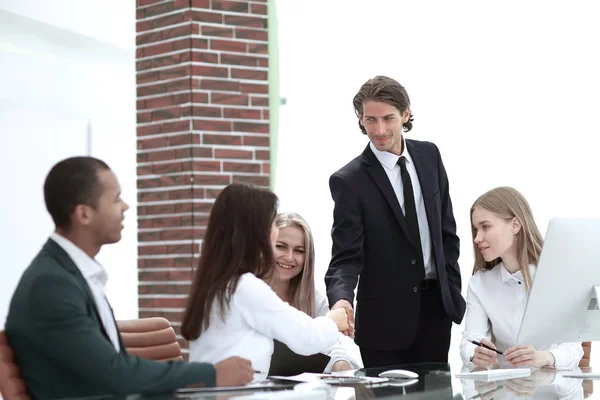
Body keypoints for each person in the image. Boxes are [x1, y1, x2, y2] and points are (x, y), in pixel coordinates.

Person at [4, 157, 254, 400]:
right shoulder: (51, 285)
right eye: (116, 199)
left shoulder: (69, 273)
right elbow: (115, 373)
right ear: (84, 214)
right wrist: (213, 373)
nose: (125, 206)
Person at [325, 75, 466, 367]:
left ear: (405, 113)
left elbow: (446, 231)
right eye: (370, 120)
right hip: (383, 325)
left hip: (436, 312)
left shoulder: (430, 155)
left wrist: (451, 286)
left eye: (388, 118)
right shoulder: (349, 181)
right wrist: (341, 299)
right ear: (360, 120)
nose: (379, 130)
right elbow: (346, 256)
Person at [182, 184, 349, 378]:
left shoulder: (218, 283)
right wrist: (332, 321)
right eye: (272, 224)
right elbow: (305, 338)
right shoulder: (244, 288)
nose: (276, 231)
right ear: (255, 231)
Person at [460, 186, 583, 369]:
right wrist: (474, 354)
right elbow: (470, 341)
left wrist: (544, 357)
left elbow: (574, 348)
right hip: (505, 390)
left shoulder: (558, 275)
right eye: (476, 229)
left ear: (515, 225)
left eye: (485, 227)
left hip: (552, 390)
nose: (477, 238)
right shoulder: (480, 284)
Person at [267, 212, 361, 373]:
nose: (289, 257)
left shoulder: (312, 297)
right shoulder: (248, 291)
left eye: (299, 251)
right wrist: (330, 323)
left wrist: (340, 364)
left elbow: (336, 346)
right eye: (281, 246)